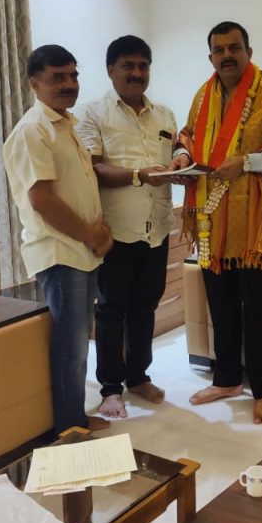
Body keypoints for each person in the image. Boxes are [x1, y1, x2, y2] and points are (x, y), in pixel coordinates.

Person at [176, 21, 262, 425]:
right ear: (211, 56)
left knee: (259, 310)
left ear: (249, 51)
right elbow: (187, 135)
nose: (227, 56)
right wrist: (181, 156)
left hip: (255, 226)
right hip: (212, 223)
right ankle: (227, 379)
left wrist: (247, 162)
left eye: (234, 48)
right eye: (219, 50)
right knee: (222, 306)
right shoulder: (203, 95)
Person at [2, 44, 114, 433]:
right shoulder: (33, 131)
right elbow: (43, 201)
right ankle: (69, 428)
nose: (69, 84)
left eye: (73, 75)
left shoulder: (65, 125)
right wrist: (91, 234)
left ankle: (74, 417)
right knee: (71, 345)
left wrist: (97, 231)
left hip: (80, 250)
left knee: (79, 341)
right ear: (35, 84)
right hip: (60, 253)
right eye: (57, 78)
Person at [78, 36, 190, 419]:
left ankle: (138, 376)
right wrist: (140, 175)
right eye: (128, 66)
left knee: (146, 306)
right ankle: (111, 388)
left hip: (156, 228)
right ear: (110, 70)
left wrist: (181, 159)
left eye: (143, 66)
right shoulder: (92, 114)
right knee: (111, 309)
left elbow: (177, 148)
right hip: (115, 230)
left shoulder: (164, 114)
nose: (137, 73)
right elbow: (93, 168)